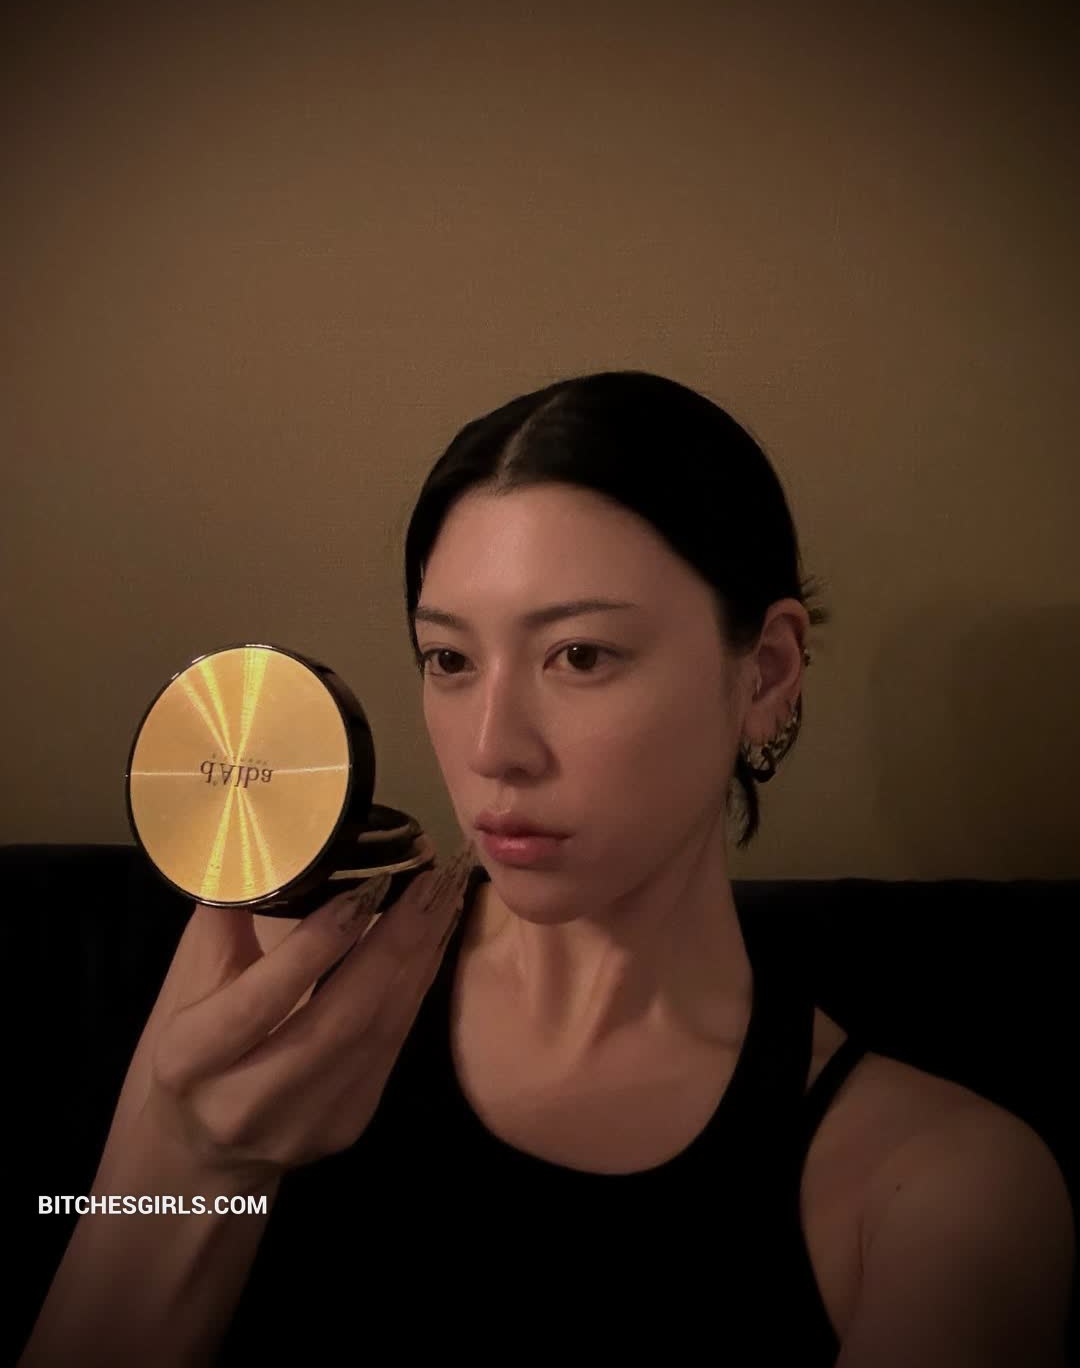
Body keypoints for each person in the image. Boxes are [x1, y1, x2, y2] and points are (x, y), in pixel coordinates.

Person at [21, 370, 1075, 1365]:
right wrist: (197, 1162)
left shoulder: (931, 1186)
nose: (493, 749)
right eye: (449, 659)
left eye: (580, 655)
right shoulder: (272, 986)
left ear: (764, 674)